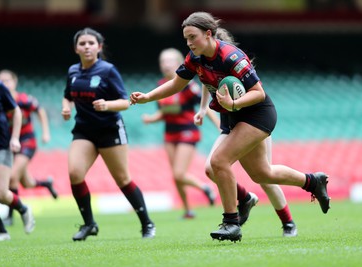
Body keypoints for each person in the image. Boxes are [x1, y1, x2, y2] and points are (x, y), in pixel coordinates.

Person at [130, 12, 330, 242]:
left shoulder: (231, 56)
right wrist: (148, 97)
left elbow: (258, 93)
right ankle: (312, 181)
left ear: (208, 34)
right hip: (232, 117)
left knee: (219, 161)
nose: (189, 43)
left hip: (256, 114)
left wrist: (233, 103)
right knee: (260, 173)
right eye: (186, 39)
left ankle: (232, 223)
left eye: (192, 37)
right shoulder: (195, 58)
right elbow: (176, 84)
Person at [194, 28, 298, 237]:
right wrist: (204, 107)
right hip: (229, 124)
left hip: (251, 122)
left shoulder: (235, 66)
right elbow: (206, 81)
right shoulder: (207, 67)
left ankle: (288, 222)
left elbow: (255, 93)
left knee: (264, 176)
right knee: (210, 168)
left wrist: (233, 103)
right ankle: (245, 198)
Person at [61, 27, 155, 241]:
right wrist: (66, 107)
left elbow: (125, 102)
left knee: (122, 178)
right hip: (83, 131)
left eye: (91, 43)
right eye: (82, 43)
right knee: (75, 174)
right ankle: (89, 224)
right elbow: (67, 96)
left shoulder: (108, 70)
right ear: (76, 48)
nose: (86, 47)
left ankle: (147, 223)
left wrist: (107, 105)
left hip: (110, 130)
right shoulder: (73, 71)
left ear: (99, 47)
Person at [142, 48, 217, 219]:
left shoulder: (188, 85)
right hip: (169, 134)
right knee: (176, 176)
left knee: (178, 173)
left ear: (179, 63)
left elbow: (204, 106)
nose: (166, 65)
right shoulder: (161, 86)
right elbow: (164, 113)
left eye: (170, 61)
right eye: (163, 61)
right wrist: (151, 119)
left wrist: (219, 125)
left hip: (187, 131)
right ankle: (187, 210)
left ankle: (205, 188)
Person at [0, 69, 57, 227]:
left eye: (7, 80)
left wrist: (45, 132)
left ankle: (11, 216)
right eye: (1, 80)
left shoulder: (22, 99)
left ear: (14, 82)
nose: (4, 84)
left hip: (27, 141)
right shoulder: (0, 103)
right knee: (27, 182)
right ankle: (46, 184)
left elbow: (40, 110)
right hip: (10, 143)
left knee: (12, 177)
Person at [0, 80, 35, 242]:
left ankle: (23, 209)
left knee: (0, 194)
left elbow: (16, 112)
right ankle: (2, 231)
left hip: (1, 145)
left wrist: (15, 138)